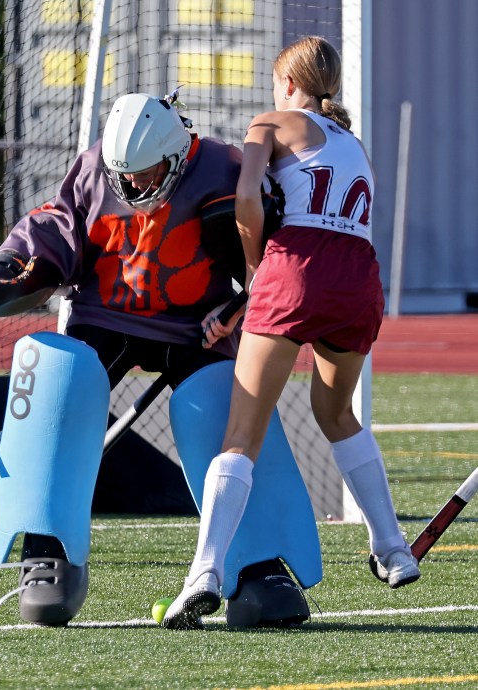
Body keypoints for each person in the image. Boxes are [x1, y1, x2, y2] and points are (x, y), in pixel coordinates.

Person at [0, 91, 310, 627]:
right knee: (57, 383)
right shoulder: (96, 167)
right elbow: (55, 226)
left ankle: (257, 566)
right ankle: (47, 550)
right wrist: (9, 265)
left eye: (146, 174)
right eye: (123, 174)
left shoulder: (225, 166)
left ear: (177, 155)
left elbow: (271, 246)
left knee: (224, 407)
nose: (131, 187)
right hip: (105, 316)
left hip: (196, 327)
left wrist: (240, 305)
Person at [162, 36, 421, 630]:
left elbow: (247, 201)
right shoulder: (355, 145)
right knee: (336, 413)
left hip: (295, 267)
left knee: (241, 434)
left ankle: (205, 570)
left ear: (286, 82)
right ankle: (392, 547)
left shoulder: (270, 123)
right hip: (358, 279)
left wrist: (254, 271)